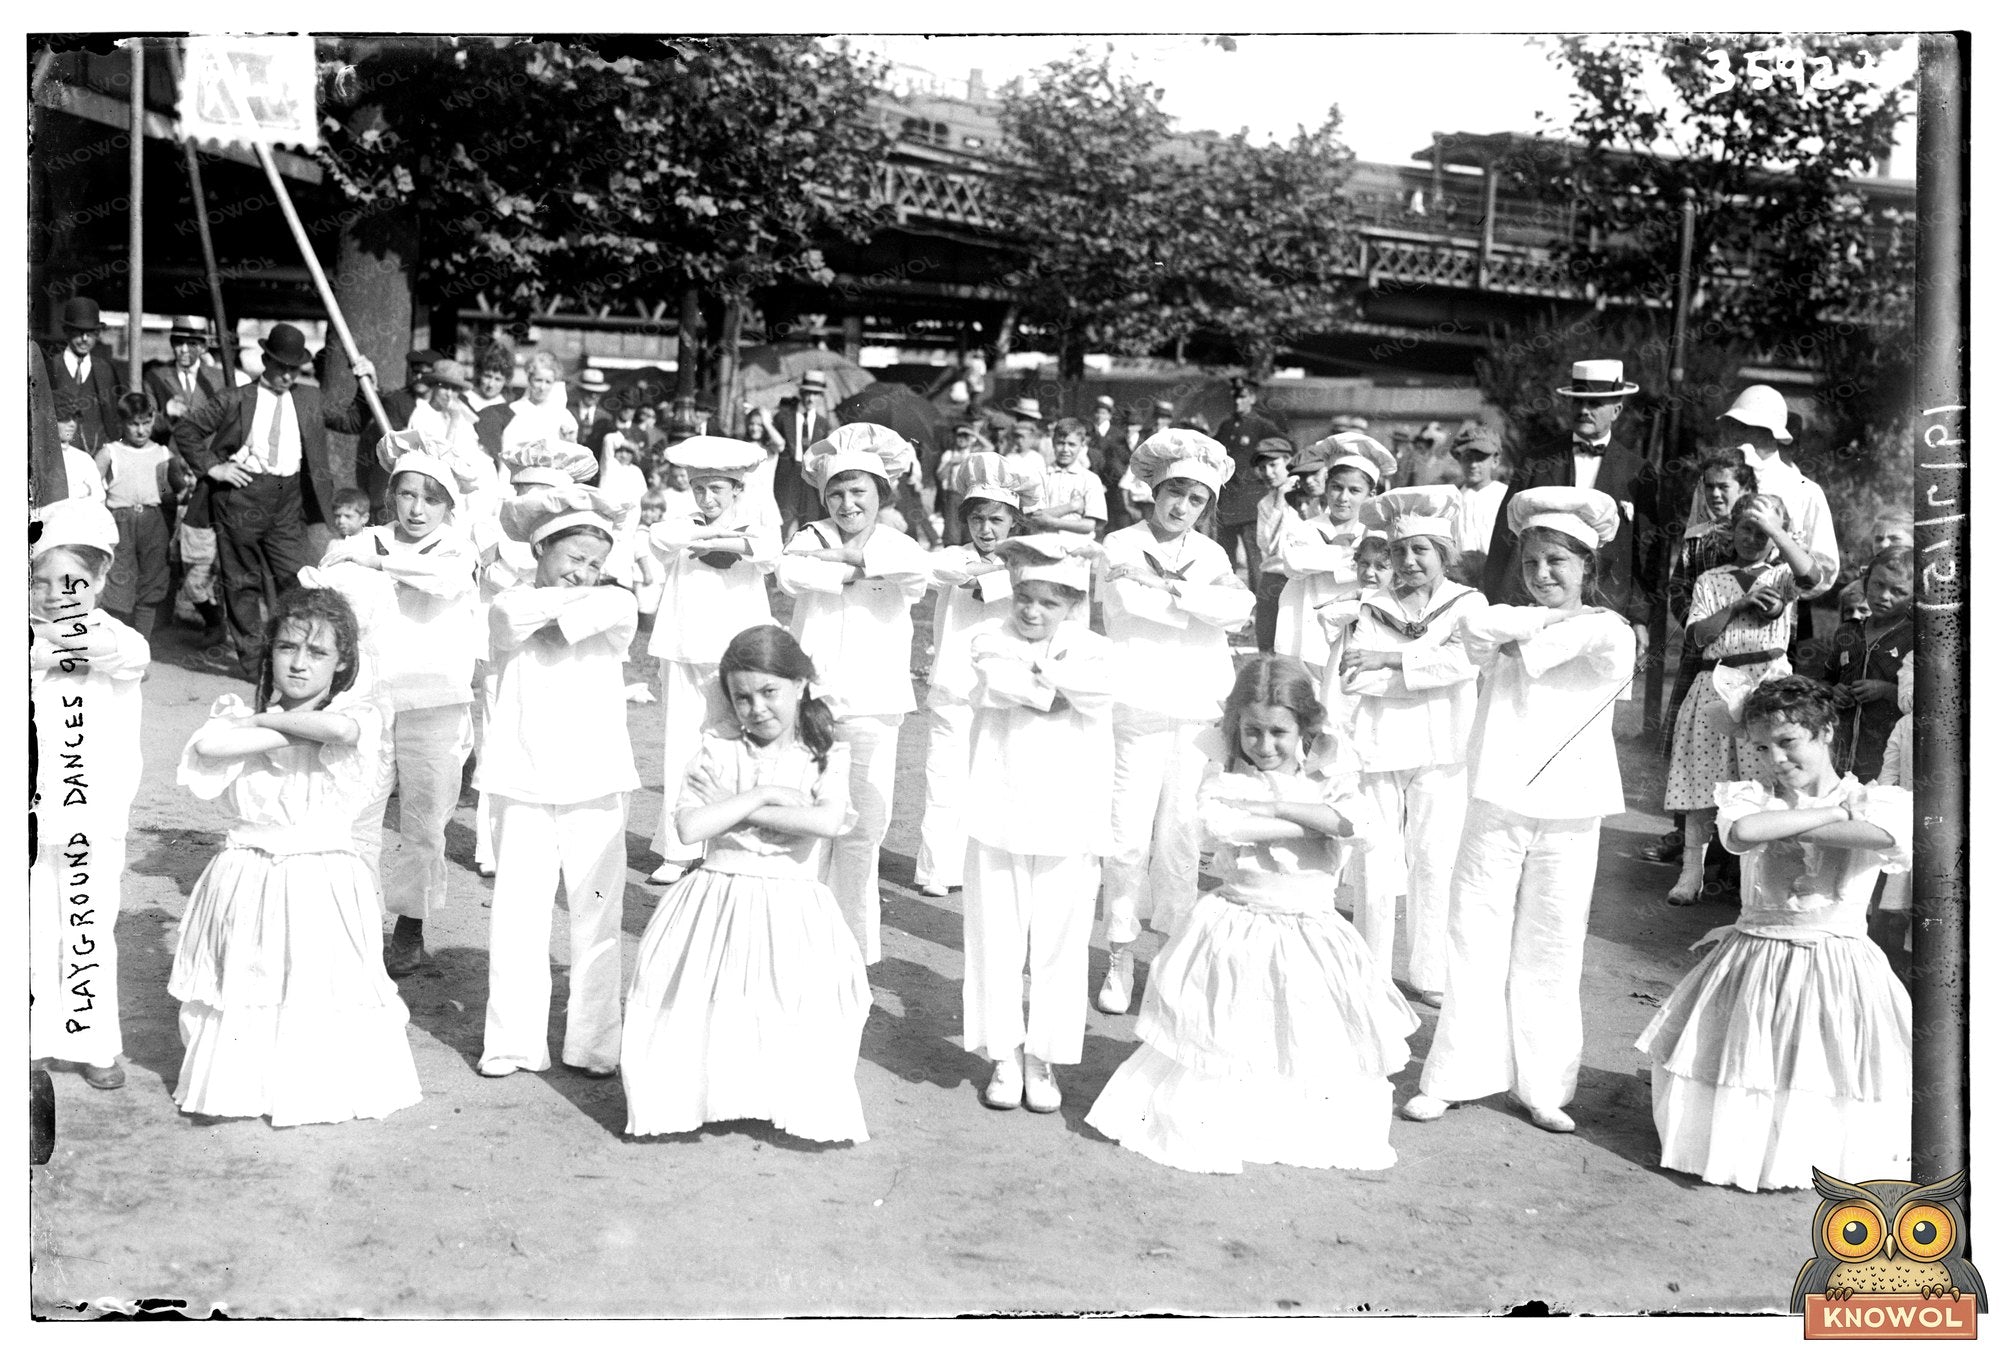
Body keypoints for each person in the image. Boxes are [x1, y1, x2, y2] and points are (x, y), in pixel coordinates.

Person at [1086, 655, 1416, 1173]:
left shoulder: (1327, 776)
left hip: (1310, 922)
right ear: (1235, 729)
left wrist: (1279, 807)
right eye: (1252, 732)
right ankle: (1229, 1118)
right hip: (1241, 917)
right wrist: (1317, 822)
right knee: (1229, 1026)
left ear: (1304, 730)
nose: (1264, 746)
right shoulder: (1224, 778)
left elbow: (1362, 826)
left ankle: (1288, 1120)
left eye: (1279, 732)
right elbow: (1224, 826)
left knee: (1303, 1026)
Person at [1403, 487, 1634, 1134]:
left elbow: (1528, 636)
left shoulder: (1613, 631)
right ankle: (1453, 1076)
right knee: (1473, 937)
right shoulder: (1509, 615)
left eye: (1558, 561)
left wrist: (1520, 626)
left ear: (1588, 565)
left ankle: (1544, 1086)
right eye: (1531, 562)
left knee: (1551, 944)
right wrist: (1520, 623)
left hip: (1571, 806)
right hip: (1496, 796)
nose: (1542, 574)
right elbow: (1475, 628)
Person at [1636, 676, 1912, 1191]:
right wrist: (1836, 813)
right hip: (1757, 950)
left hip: (1838, 955)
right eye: (1763, 748)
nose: (1777, 759)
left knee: (1821, 1059)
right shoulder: (1749, 797)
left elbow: (1880, 835)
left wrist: (1792, 820)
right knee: (1751, 1054)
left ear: (1825, 732)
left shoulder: (1879, 800)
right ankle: (1746, 1151)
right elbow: (1745, 832)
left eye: (1788, 742)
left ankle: (1804, 1153)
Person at [166, 585, 421, 1124]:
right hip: (250, 867)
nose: (300, 664)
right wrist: (282, 726)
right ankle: (244, 1086)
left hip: (322, 870)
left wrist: (263, 723)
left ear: (342, 662)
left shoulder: (361, 714)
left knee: (316, 978)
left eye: (317, 652)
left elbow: (338, 730)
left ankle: (308, 1088)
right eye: (288, 648)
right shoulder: (233, 713)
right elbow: (210, 746)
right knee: (252, 973)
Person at [621, 625, 871, 1142]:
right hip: (718, 889)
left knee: (789, 995)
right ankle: (706, 1096)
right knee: (708, 990)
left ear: (799, 684)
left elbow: (827, 821)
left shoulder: (824, 752)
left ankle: (773, 1094)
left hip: (792, 893)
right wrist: (762, 796)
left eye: (769, 692)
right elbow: (691, 827)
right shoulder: (718, 747)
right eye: (742, 698)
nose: (756, 708)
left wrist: (732, 810)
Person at [476, 485, 637, 1079]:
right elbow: (517, 620)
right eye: (573, 557)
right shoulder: (506, 603)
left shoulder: (617, 602)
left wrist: (560, 603)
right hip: (522, 779)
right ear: (540, 549)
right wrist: (553, 605)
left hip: (595, 780)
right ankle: (512, 1044)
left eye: (595, 563)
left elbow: (580, 620)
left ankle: (594, 1045)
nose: (583, 572)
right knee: (518, 916)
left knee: (596, 916)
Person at [1095, 430, 1256, 1014]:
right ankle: (1119, 952)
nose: (1181, 507)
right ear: (1155, 491)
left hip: (1195, 710)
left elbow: (1240, 612)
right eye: (1174, 493)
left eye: (1195, 499)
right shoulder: (1119, 544)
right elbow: (1133, 606)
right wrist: (1199, 601)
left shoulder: (1212, 554)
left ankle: (1172, 956)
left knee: (1181, 838)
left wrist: (1166, 586)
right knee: (1126, 838)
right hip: (1135, 703)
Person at [960, 536, 1115, 1113]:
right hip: (999, 806)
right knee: (996, 936)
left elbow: (1095, 693)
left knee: (1061, 943)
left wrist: (1039, 675)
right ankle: (1004, 1052)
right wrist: (1056, 681)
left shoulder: (1097, 649)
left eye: (1049, 603)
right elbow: (1008, 687)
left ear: (1073, 604)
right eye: (1024, 597)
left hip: (1069, 812)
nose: (1032, 611)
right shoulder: (986, 637)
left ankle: (1042, 1057)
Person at [313, 451, 480, 976]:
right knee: (358, 812)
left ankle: (410, 924)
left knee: (426, 820)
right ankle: (358, 922)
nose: (417, 509)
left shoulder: (456, 548)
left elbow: (445, 580)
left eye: (432, 499)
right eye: (407, 494)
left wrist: (378, 566)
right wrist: (365, 561)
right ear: (390, 497)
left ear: (449, 507)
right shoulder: (360, 541)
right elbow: (329, 583)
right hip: (369, 697)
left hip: (434, 700)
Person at [774, 424, 930, 964]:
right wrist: (846, 568)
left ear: (881, 494)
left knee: (863, 828)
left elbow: (917, 574)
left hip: (875, 702)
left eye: (859, 491)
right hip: (814, 700)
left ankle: (853, 950)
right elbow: (788, 573)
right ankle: (801, 943)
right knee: (809, 820)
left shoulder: (899, 543)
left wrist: (849, 561)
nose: (847, 504)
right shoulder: (808, 536)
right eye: (836, 493)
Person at [1331, 486, 1487, 1006]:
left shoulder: (1468, 604)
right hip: (1380, 743)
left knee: (1435, 858)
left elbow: (1465, 664)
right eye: (1399, 551)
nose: (1409, 561)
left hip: (1444, 745)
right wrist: (1421, 670)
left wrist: (1392, 660)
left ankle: (1430, 970)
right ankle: (1369, 970)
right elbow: (1355, 675)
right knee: (1375, 857)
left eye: (1421, 550)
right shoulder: (1373, 605)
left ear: (1444, 553)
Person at [172, 324, 381, 679]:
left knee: (296, 579)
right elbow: (187, 430)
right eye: (281, 367)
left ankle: (294, 652)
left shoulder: (309, 397)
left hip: (288, 500)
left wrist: (366, 386)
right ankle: (255, 664)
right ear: (266, 360)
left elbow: (351, 421)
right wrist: (214, 468)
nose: (287, 376)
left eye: (294, 369)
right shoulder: (236, 398)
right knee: (241, 582)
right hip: (240, 496)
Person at [29, 499, 148, 1090]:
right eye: (41, 582)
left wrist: (44, 647)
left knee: (88, 924)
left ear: (101, 580)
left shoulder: (119, 639)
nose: (56, 595)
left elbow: (116, 655)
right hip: (32, 811)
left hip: (92, 813)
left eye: (72, 581)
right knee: (30, 923)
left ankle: (93, 1041)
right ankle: (32, 1037)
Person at [1661, 493, 1816, 904]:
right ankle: (1691, 872)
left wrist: (1777, 532)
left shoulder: (1782, 576)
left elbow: (1812, 576)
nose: (1753, 537)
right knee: (1703, 779)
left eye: (1763, 531)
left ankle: (1763, 876)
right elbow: (1698, 637)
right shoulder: (1710, 580)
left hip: (1768, 683)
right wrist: (1739, 604)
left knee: (1768, 776)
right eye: (1746, 528)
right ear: (1732, 530)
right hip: (1717, 681)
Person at [638, 435, 779, 885]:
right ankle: (678, 850)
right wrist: (705, 534)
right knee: (681, 748)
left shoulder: (757, 528)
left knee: (737, 747)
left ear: (738, 489)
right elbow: (658, 537)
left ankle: (731, 844)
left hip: (735, 653)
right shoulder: (683, 525)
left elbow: (769, 553)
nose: (707, 498)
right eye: (698, 488)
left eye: (717, 488)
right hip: (683, 647)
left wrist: (727, 541)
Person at [915, 453, 1039, 899]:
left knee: (999, 777)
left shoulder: (1029, 563)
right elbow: (940, 571)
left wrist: (1001, 570)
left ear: (1014, 523)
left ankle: (994, 868)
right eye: (977, 520)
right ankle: (938, 869)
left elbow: (1014, 584)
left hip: (1003, 686)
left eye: (996, 521)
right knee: (944, 778)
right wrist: (992, 568)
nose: (986, 530)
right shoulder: (955, 555)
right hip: (953, 681)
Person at [1481, 360, 1656, 672]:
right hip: (1538, 604)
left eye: (1595, 404)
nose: (1584, 410)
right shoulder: (1537, 462)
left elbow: (1645, 552)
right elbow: (1504, 538)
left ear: (1616, 410)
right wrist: (1497, 603)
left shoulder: (1637, 471)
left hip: (1605, 608)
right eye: (1578, 402)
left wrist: (1640, 618)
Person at [1696, 385, 1841, 655]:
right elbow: (1694, 546)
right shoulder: (1713, 483)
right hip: (1715, 611)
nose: (1734, 434)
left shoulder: (1804, 490)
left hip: (1777, 620)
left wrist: (1780, 591)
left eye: (1744, 427)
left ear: (1770, 432)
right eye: (1732, 425)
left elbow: (1825, 569)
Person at [1272, 433, 1395, 684]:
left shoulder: (1377, 533)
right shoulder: (1305, 528)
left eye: (1355, 490)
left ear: (1371, 494)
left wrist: (1324, 559)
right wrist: (1352, 557)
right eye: (1337, 487)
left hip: (1354, 623)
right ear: (1326, 487)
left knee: (1346, 686)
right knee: (1305, 685)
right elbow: (1294, 563)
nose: (1343, 497)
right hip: (1305, 619)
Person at [1798, 548, 1914, 782]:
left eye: (1898, 591)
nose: (1884, 596)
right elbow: (1826, 680)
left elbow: (1927, 704)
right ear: (1866, 581)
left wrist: (1886, 690)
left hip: (1887, 754)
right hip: (1841, 749)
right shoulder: (1847, 632)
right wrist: (1833, 691)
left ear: (1914, 596)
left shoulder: (1915, 637)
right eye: (1878, 584)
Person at [96, 391, 186, 640]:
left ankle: (142, 642)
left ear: (153, 420)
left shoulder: (163, 453)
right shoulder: (110, 452)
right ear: (122, 423)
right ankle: (116, 642)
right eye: (134, 424)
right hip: (119, 520)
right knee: (118, 577)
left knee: (152, 579)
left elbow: (177, 488)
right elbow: (92, 485)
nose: (141, 430)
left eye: (146, 423)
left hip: (153, 520)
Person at [348, 348, 442, 515]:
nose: (419, 377)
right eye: (415, 372)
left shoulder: (442, 403)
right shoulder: (397, 400)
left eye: (425, 373)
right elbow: (395, 439)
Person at [1212, 375, 1288, 575]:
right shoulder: (1227, 425)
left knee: (1255, 559)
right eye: (1235, 397)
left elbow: (1286, 447)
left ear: (1252, 399)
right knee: (1223, 559)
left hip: (1250, 503)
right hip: (1226, 503)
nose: (1238, 401)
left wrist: (1265, 470)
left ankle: (1258, 594)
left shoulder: (1261, 425)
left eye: (1243, 397)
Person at [44, 297, 125, 451]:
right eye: (78, 332)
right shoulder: (51, 367)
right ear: (66, 331)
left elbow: (114, 418)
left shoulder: (106, 369)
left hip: (99, 456)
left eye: (91, 333)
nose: (84, 339)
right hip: (61, 455)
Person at [1245, 437, 1301, 652]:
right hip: (1273, 577)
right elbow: (1268, 545)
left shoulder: (1305, 496)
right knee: (1267, 638)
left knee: (1294, 643)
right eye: (1262, 468)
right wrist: (1279, 501)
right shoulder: (1266, 504)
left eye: (1273, 465)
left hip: (1300, 577)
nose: (1268, 472)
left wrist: (1288, 496)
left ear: (1288, 461)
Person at [771, 369, 836, 539]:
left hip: (811, 479)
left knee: (810, 523)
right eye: (808, 393)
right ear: (801, 393)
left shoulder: (823, 424)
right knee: (782, 523)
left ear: (821, 396)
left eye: (816, 394)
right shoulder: (783, 418)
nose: (811, 398)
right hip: (787, 476)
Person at [145, 315, 229, 445]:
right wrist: (166, 415)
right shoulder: (154, 377)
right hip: (169, 455)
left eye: (192, 344)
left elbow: (229, 425)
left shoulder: (219, 378)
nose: (184, 350)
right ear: (172, 343)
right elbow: (145, 425)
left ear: (203, 347)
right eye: (179, 342)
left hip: (207, 454)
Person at [499, 352, 582, 471]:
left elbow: (571, 457)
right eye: (538, 380)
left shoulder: (563, 415)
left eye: (548, 382)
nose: (542, 387)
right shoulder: (513, 410)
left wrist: (570, 440)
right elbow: (506, 452)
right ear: (529, 379)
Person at [1449, 425, 1507, 583]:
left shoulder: (1505, 497)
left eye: (1480, 458)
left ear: (1495, 461)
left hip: (1498, 575)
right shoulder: (1452, 500)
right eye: (1468, 458)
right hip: (1461, 577)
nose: (1473, 465)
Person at [1033, 417, 1108, 540]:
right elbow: (1034, 517)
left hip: (1078, 546)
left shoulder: (1090, 479)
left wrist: (1051, 521)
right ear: (1053, 443)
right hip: (1044, 543)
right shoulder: (1039, 476)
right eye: (1060, 443)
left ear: (1082, 445)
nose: (1065, 450)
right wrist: (1072, 506)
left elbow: (1089, 525)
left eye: (1072, 444)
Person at [568, 367, 615, 452]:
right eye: (589, 391)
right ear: (581, 390)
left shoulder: (605, 417)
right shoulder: (568, 412)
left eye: (597, 392)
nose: (593, 396)